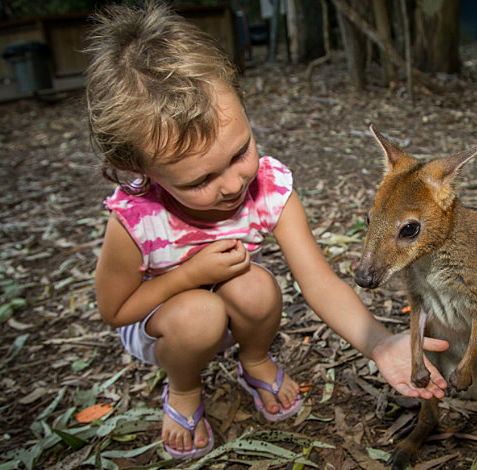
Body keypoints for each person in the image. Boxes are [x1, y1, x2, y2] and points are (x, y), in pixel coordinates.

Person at [87, 2, 449, 461]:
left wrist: (378, 343)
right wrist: (189, 274)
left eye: (240, 152)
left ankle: (254, 359)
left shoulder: (268, 188)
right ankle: (183, 389)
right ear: (137, 167)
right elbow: (117, 311)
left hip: (235, 301)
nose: (233, 183)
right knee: (198, 313)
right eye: (200, 181)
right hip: (163, 320)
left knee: (258, 285)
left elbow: (317, 280)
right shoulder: (136, 219)